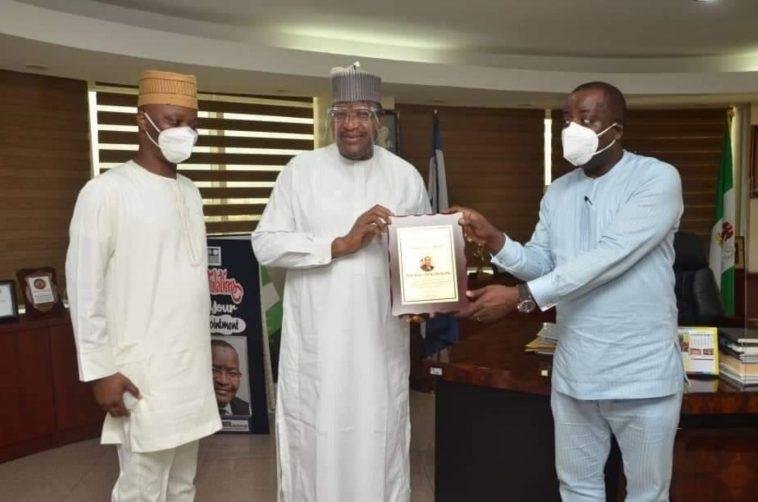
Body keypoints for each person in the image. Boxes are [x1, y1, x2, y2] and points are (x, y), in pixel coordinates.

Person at [452, 82, 685, 501]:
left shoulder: (656, 178)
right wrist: (495, 238)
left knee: (647, 493)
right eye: (567, 118)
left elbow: (608, 258)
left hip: (641, 373)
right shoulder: (558, 191)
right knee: (577, 489)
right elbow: (544, 261)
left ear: (616, 128)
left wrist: (521, 296)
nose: (572, 128)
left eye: (586, 118)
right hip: (577, 370)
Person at [251, 62, 430, 502]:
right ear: (330, 120)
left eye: (362, 114)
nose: (351, 125)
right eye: (342, 114)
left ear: (378, 121)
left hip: (379, 341)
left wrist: (424, 298)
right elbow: (266, 244)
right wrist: (339, 243)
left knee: (379, 436)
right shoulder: (300, 171)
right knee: (318, 438)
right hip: (318, 345)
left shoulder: (405, 176)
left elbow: (422, 253)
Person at [66, 70, 221, 501]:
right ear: (143, 120)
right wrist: (100, 371)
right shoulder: (106, 192)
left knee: (183, 484)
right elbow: (84, 289)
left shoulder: (191, 192)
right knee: (141, 488)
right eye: (173, 121)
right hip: (140, 373)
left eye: (192, 124)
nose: (184, 132)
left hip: (188, 370)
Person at [211, 339, 250, 415]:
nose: (223, 381)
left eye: (232, 373)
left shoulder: (246, 409)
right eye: (214, 371)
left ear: (239, 376)